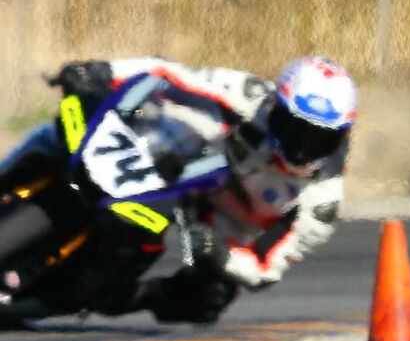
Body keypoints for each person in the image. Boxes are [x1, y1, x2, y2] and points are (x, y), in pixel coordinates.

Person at [0, 55, 355, 323]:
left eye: (321, 138)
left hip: (213, 228)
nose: (303, 147)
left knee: (207, 298)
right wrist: (104, 71)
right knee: (60, 133)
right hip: (171, 162)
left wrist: (221, 254)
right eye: (297, 130)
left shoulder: (320, 204)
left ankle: (126, 295)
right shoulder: (247, 95)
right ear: (277, 106)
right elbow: (167, 72)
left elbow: (266, 268)